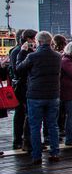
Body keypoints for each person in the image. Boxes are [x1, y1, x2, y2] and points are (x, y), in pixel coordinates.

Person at [15, 31, 62, 165]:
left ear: (38, 41)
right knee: (53, 125)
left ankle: (36, 155)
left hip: (35, 95)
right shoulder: (57, 56)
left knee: (35, 126)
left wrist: (22, 53)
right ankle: (55, 152)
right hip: (53, 94)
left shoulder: (32, 56)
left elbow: (19, 69)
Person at [9, 29, 37, 152]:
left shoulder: (27, 51)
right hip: (22, 86)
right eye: (34, 39)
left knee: (25, 114)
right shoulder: (17, 51)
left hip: (27, 86)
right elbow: (16, 70)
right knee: (21, 113)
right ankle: (18, 140)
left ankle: (26, 139)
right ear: (29, 39)